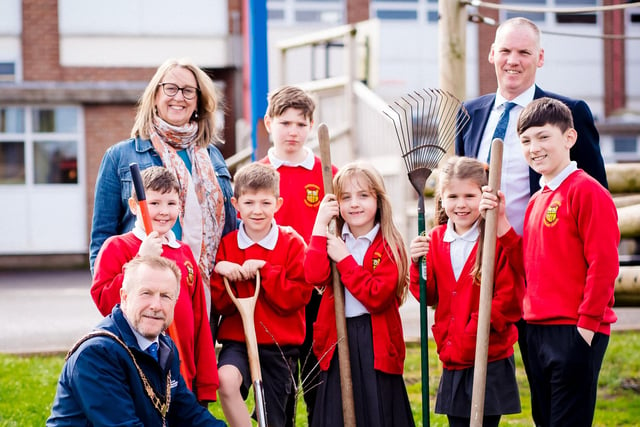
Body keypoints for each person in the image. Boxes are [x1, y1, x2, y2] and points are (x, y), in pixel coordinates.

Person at [480, 97, 619, 426]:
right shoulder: (537, 200)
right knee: (545, 419)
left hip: (575, 329)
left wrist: (585, 329)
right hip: (537, 331)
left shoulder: (586, 192)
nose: (534, 148)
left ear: (569, 138)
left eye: (543, 137)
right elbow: (529, 264)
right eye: (526, 140)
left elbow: (604, 267)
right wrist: (501, 222)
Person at [89, 57, 237, 317]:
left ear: (198, 102)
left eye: (188, 90)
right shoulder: (121, 156)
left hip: (201, 295)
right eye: (170, 88)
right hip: (145, 301)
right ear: (155, 96)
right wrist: (121, 303)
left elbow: (229, 229)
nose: (179, 97)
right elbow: (101, 239)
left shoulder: (213, 157)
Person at [456, 17, 608, 236]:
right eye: (505, 51)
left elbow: (598, 196)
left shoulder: (570, 112)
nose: (513, 60)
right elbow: (458, 184)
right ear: (492, 53)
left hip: (541, 256)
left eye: (524, 53)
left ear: (540, 57)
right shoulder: (468, 113)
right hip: (477, 257)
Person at [408, 156, 524, 427]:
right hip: (453, 355)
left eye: (470, 195)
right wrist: (417, 264)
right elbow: (429, 296)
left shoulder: (495, 240)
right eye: (453, 196)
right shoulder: (435, 240)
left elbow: (509, 300)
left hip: (488, 355)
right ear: (441, 199)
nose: (461, 204)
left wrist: (473, 332)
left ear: (484, 196)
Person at [47, 256, 226, 426]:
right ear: (124, 297)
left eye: (165, 296)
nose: (156, 305)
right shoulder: (96, 355)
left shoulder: (165, 347)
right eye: (146, 293)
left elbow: (189, 414)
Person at [90, 166, 219, 403]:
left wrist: (207, 383)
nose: (163, 211)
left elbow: (199, 319)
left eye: (171, 203)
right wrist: (141, 259)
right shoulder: (117, 247)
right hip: (138, 375)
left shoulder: (184, 252)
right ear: (133, 206)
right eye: (154, 203)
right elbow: (106, 303)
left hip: (184, 375)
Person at [304, 161, 415, 427]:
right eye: (346, 197)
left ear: (378, 200)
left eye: (363, 195)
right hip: (338, 334)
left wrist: (345, 260)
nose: (354, 203)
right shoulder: (334, 238)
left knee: (376, 410)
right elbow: (313, 275)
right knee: (337, 413)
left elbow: (376, 296)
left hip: (374, 340)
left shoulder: (389, 245)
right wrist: (320, 224)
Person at [210, 162, 312, 427]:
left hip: (280, 345)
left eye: (265, 203)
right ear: (236, 204)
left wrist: (267, 272)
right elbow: (221, 304)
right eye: (249, 202)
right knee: (226, 381)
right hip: (239, 341)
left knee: (277, 418)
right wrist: (223, 273)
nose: (257, 211)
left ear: (278, 204)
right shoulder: (229, 244)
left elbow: (297, 298)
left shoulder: (291, 244)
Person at [258, 84, 337, 425]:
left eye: (301, 124)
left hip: (318, 291)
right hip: (276, 292)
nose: (292, 131)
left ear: (311, 126)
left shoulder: (327, 174)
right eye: (285, 122)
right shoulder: (257, 176)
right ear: (268, 124)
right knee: (281, 382)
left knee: (319, 378)